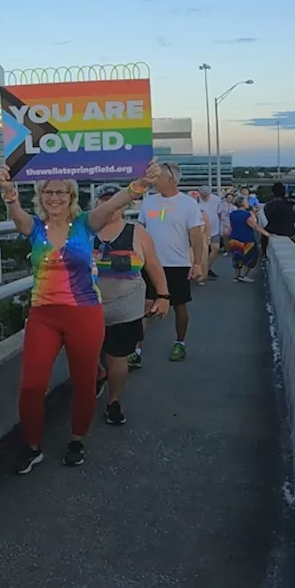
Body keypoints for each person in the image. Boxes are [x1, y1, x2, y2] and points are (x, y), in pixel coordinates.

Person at [0, 162, 157, 472]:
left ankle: (77, 439)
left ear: (72, 196)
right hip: (44, 314)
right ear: (40, 196)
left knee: (84, 382)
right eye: (47, 192)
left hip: (84, 313)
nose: (53, 197)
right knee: (31, 385)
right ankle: (32, 446)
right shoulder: (35, 228)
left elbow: (114, 203)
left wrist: (141, 183)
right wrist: (8, 193)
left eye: (60, 192)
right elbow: (16, 217)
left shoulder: (85, 224)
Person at [91, 185, 170, 425]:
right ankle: (98, 375)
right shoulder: (83, 231)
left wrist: (163, 297)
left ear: (124, 205)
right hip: (87, 307)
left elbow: (154, 266)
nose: (109, 206)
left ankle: (114, 401)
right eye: (104, 201)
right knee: (89, 355)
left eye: (114, 200)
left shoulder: (137, 232)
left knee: (117, 356)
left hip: (125, 306)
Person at [135, 162, 205, 362]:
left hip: (177, 264)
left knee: (179, 306)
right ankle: (136, 350)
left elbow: (196, 235)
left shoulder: (188, 204)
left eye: (159, 177)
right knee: (146, 305)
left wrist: (197, 263)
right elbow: (141, 228)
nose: (154, 181)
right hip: (150, 264)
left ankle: (180, 343)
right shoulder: (148, 201)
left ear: (171, 179)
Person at [224, 195, 271, 282]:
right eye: (246, 202)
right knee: (252, 256)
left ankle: (236, 276)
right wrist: (267, 234)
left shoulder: (232, 214)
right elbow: (255, 226)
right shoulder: (246, 214)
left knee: (237, 257)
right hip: (246, 239)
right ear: (242, 204)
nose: (248, 203)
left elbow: (232, 227)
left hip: (234, 238)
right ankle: (243, 275)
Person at [260, 182, 295, 261]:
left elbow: (268, 217)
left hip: (273, 229)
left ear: (273, 192)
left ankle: (264, 254)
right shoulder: (291, 204)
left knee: (263, 234)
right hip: (290, 231)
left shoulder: (268, 205)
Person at [196, 186, 222, 282]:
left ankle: (207, 268)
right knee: (202, 252)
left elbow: (219, 213)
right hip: (200, 230)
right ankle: (202, 272)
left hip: (214, 229)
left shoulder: (216, 200)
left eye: (206, 195)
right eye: (203, 195)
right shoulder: (194, 200)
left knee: (216, 249)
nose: (205, 197)